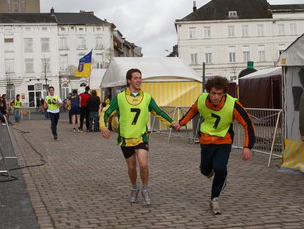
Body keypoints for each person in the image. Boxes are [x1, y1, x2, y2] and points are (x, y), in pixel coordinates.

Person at [172, 76, 255, 215]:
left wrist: (247, 146)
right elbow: (193, 111)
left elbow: (248, 124)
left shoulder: (233, 104)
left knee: (220, 168)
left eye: (219, 94)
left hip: (224, 140)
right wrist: (181, 123)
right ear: (208, 92)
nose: (216, 97)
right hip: (206, 140)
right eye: (213, 93)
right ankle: (212, 173)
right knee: (205, 171)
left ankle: (214, 198)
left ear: (224, 93)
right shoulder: (202, 100)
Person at [100, 68, 175, 206]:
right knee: (132, 167)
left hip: (141, 137)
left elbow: (158, 112)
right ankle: (134, 187)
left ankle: (145, 189)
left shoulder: (146, 97)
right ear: (129, 80)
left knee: (144, 165)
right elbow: (106, 112)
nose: (139, 80)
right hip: (125, 139)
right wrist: (103, 126)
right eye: (135, 78)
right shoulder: (120, 98)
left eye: (140, 77)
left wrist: (171, 123)